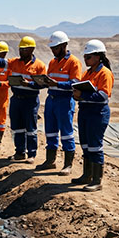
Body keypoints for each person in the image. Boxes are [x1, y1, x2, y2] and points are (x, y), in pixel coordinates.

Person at [0, 36, 46, 162]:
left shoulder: (39, 66)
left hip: (30, 100)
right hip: (16, 99)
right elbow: (1, 62)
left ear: (31, 49)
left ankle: (31, 154)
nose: (21, 52)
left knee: (30, 128)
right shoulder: (14, 62)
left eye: (24, 49)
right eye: (20, 49)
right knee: (17, 127)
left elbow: (43, 84)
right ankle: (19, 152)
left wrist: (28, 84)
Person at [37, 31, 82, 175]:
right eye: (52, 48)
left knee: (67, 133)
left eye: (55, 48)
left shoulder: (73, 62)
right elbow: (50, 79)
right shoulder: (52, 62)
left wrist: (57, 84)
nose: (53, 51)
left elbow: (75, 83)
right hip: (51, 100)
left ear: (63, 46)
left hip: (64, 101)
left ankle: (67, 165)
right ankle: (50, 161)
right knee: (50, 131)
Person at [72, 39, 114, 191]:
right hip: (85, 112)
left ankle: (97, 180)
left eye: (88, 57)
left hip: (97, 113)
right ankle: (87, 175)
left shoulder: (105, 73)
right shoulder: (87, 73)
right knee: (85, 145)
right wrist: (76, 94)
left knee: (95, 146)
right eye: (85, 57)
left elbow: (103, 95)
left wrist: (82, 95)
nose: (85, 59)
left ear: (98, 57)